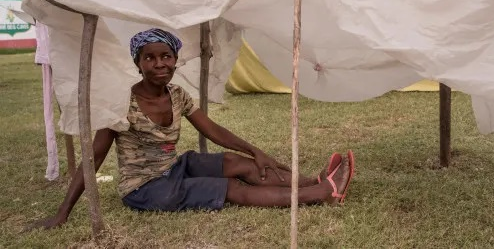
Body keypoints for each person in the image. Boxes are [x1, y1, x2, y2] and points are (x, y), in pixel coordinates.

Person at [30, 28, 355, 230]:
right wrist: (63, 212)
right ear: (138, 63)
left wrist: (255, 151)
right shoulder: (120, 103)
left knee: (237, 163)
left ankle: (312, 179)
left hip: (174, 168)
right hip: (145, 189)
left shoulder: (177, 95)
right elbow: (93, 160)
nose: (160, 64)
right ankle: (322, 193)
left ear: (175, 60)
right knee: (233, 189)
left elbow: (211, 129)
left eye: (166, 56)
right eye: (150, 58)